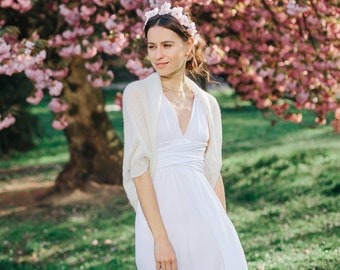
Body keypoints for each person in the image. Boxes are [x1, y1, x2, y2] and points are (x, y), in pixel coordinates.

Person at [122, 2, 248, 269]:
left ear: (188, 46)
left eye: (167, 45)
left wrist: (221, 227)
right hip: (161, 220)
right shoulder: (137, 95)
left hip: (205, 215)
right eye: (151, 46)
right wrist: (160, 238)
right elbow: (138, 168)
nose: (158, 55)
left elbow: (213, 171)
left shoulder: (207, 104)